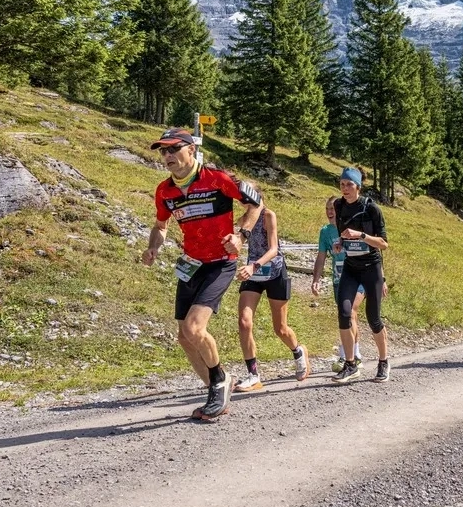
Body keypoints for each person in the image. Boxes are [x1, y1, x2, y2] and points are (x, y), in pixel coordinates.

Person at [141, 128, 262, 421]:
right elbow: (161, 226)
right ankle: (216, 390)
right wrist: (153, 247)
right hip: (191, 264)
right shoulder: (164, 190)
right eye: (163, 151)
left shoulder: (217, 179)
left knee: (195, 328)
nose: (167, 156)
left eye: (172, 149)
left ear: (191, 150)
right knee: (184, 337)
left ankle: (220, 379)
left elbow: (255, 203)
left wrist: (241, 235)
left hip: (220, 262)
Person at [232, 186, 310, 392]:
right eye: (240, 198)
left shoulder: (268, 215)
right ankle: (253, 374)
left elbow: (274, 249)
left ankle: (298, 351)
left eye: (245, 197)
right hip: (253, 276)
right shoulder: (243, 220)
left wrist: (253, 265)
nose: (242, 201)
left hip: (274, 272)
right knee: (244, 321)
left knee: (280, 328)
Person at [330, 167, 390, 384]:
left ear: (358, 186)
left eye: (349, 184)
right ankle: (350, 364)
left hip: (371, 268)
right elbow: (343, 235)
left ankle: (383, 361)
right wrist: (339, 243)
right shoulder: (338, 205)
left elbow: (383, 243)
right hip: (351, 267)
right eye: (342, 184)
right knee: (344, 313)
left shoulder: (371, 208)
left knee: (374, 319)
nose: (345, 188)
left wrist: (362, 235)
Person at [312, 196, 363, 371]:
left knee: (350, 312)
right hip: (338, 279)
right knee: (345, 314)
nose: (329, 212)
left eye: (333, 209)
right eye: (327, 209)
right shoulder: (325, 232)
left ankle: (349, 356)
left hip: (358, 276)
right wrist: (316, 280)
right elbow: (321, 257)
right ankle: (353, 354)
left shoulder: (352, 226)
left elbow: (373, 250)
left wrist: (381, 279)